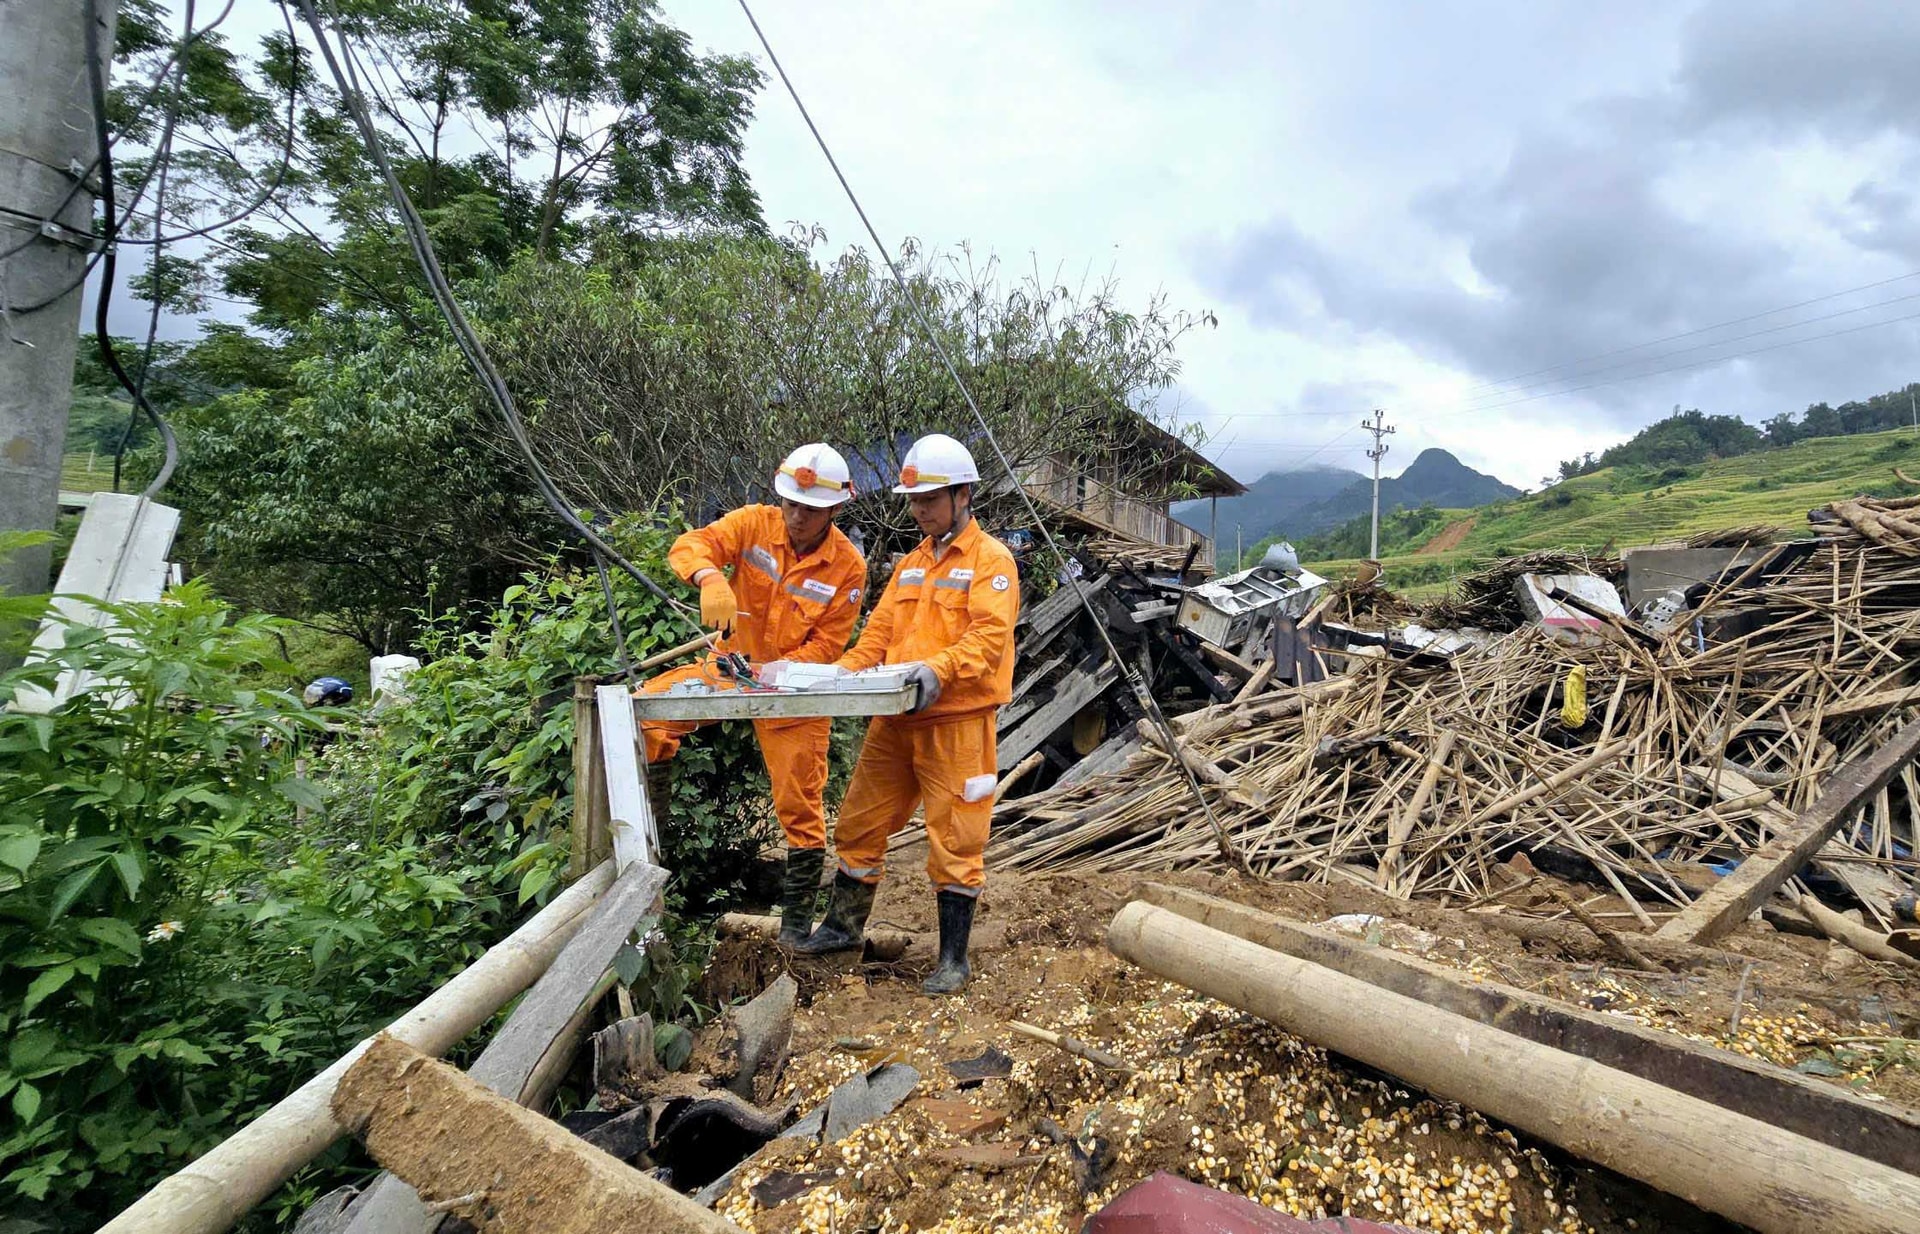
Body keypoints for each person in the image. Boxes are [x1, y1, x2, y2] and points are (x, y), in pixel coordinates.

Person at [794, 433, 1020, 995]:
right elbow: (880, 632)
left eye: (930, 501)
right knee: (858, 822)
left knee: (955, 837)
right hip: (895, 718)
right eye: (914, 502)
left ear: (963, 496)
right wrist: (843, 674)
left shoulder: (993, 562)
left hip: (955, 722)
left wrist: (939, 669)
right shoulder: (912, 564)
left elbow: (989, 637)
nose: (918, 511)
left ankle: (953, 960)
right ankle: (843, 929)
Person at [635, 444, 867, 944]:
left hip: (791, 690)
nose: (797, 516)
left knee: (801, 806)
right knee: (645, 715)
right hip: (728, 668)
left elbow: (828, 644)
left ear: (836, 508)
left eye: (810, 508)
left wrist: (782, 669)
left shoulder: (848, 567)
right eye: (791, 504)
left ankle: (795, 933)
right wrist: (709, 576)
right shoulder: (753, 524)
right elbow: (690, 543)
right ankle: (650, 857)